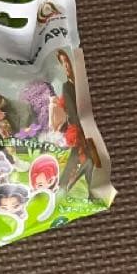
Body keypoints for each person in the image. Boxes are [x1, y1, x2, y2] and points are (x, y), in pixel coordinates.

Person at [54, 49, 97, 197]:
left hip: (89, 126)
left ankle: (64, 186)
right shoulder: (67, 87)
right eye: (63, 63)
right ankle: (67, 188)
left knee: (84, 159)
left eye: (67, 61)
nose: (66, 66)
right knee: (87, 159)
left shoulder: (82, 82)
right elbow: (73, 114)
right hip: (81, 129)